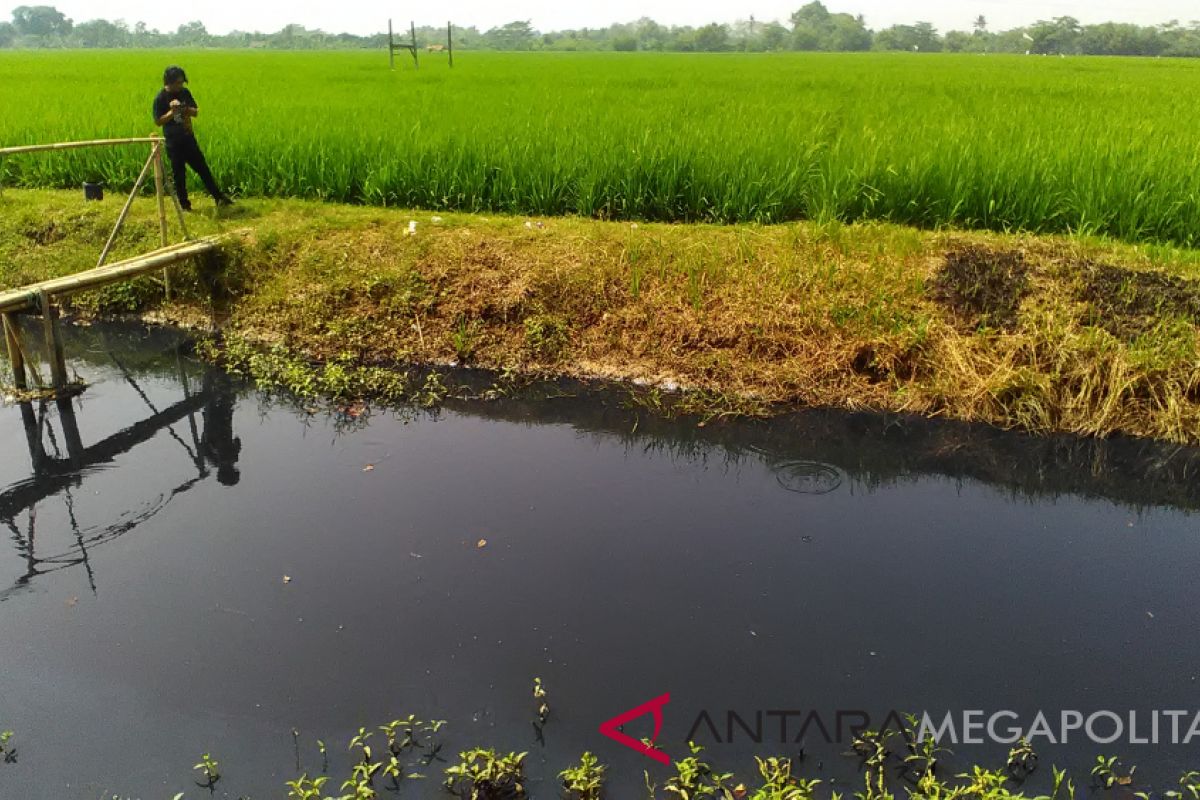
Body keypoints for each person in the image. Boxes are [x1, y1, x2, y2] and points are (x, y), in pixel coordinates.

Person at [152, 65, 233, 211]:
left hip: (188, 138)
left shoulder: (184, 93)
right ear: (168, 82)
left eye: (182, 82)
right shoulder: (160, 98)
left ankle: (219, 197)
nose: (180, 85)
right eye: (177, 83)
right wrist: (172, 112)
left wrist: (184, 108)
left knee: (203, 169)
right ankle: (184, 205)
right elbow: (158, 121)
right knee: (179, 175)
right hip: (173, 142)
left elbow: (195, 112)